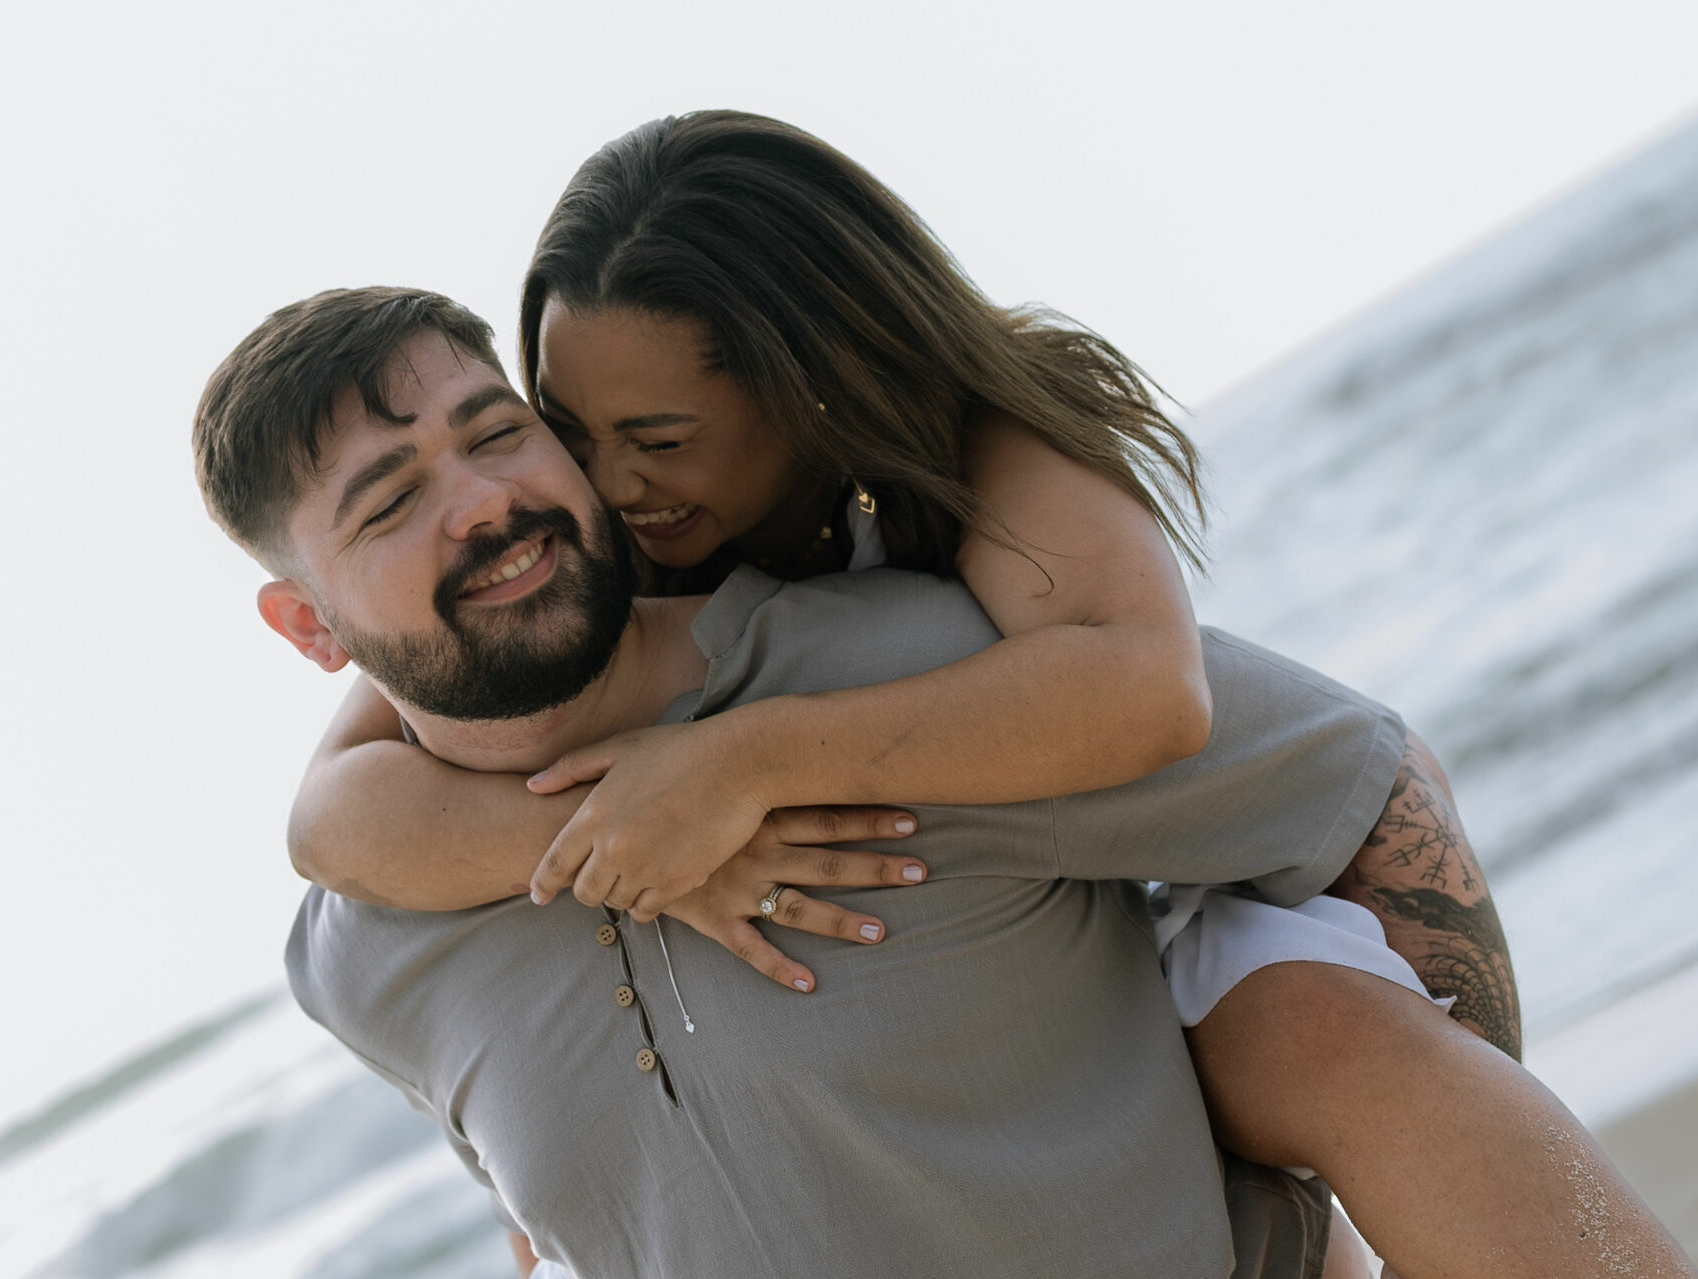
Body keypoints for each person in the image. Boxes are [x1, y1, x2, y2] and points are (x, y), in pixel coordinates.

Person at [194, 286, 1692, 1279]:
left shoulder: (897, 668)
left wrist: (1418, 1120)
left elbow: (1362, 780)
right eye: (391, 503)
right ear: (308, 627)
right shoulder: (363, 953)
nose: (483, 504)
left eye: (496, 435)